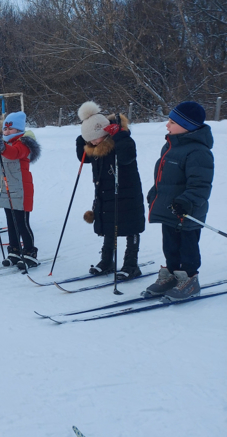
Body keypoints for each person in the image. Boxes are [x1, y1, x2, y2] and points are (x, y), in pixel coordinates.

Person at [144, 101, 214, 301]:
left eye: (172, 122)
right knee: (170, 246)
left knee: (187, 248)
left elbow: (201, 185)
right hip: (170, 210)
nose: (167, 125)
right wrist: (154, 193)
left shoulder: (198, 152)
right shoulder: (171, 146)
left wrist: (186, 202)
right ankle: (173, 275)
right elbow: (164, 178)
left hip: (188, 211)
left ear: (188, 126)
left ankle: (190, 279)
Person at [76, 101, 145, 280]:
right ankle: (107, 261)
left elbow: (127, 156)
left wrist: (121, 137)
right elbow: (83, 159)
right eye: (88, 139)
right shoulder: (95, 146)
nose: (92, 142)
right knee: (108, 225)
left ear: (105, 132)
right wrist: (81, 140)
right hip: (105, 193)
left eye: (94, 138)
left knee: (130, 227)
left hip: (127, 193)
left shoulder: (121, 141)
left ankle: (131, 264)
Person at [0, 111, 41, 268]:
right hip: (6, 190)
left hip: (21, 191)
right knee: (11, 223)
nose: (6, 132)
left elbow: (14, 154)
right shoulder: (4, 145)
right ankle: (14, 251)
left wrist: (3, 147)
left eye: (10, 129)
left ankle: (30, 252)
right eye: (5, 129)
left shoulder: (24, 145)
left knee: (22, 223)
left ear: (19, 130)